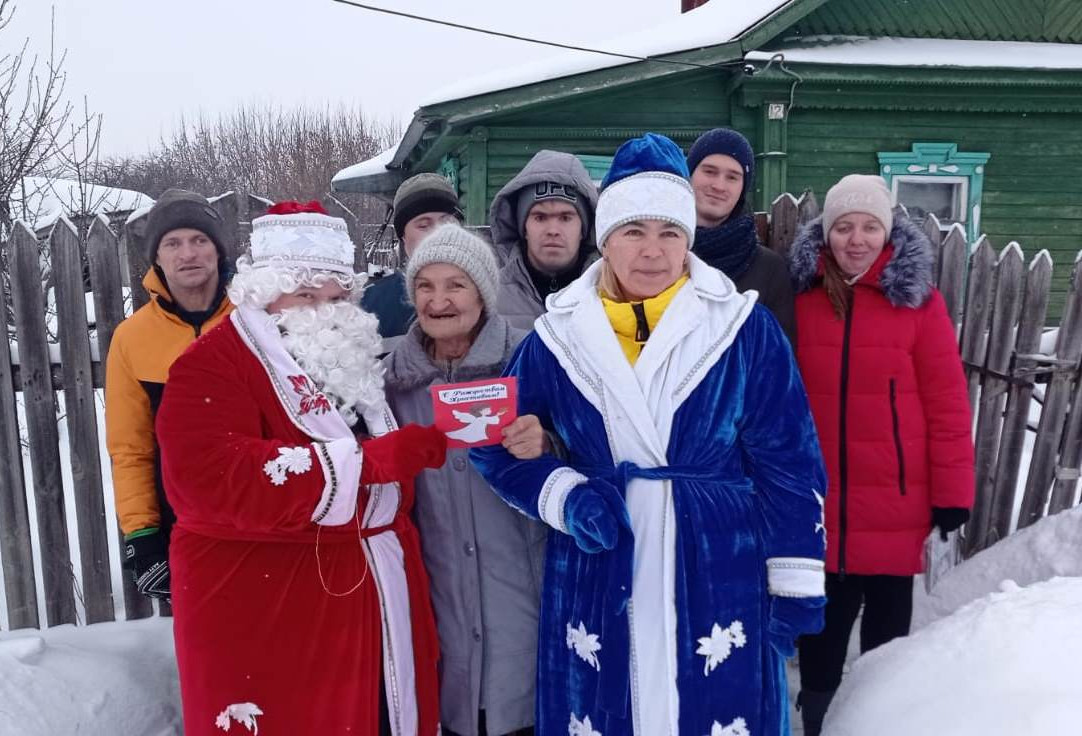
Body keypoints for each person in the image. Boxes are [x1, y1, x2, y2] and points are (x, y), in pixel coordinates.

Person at [471, 134, 828, 736]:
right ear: (605, 239)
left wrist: (793, 578)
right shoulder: (556, 338)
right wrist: (565, 494)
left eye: (669, 232)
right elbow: (489, 442)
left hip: (718, 565)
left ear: (689, 238)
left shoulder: (743, 328)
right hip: (600, 564)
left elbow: (789, 461)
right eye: (633, 231)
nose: (653, 251)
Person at [155, 200, 447, 735]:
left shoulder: (354, 363)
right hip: (271, 610)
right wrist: (364, 465)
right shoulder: (210, 365)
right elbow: (207, 478)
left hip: (370, 591)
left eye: (337, 296)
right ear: (265, 296)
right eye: (305, 296)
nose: (324, 310)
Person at [788, 174, 975, 736]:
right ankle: (818, 723)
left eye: (870, 226)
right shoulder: (801, 301)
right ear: (827, 234)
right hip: (819, 505)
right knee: (819, 638)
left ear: (888, 232)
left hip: (897, 501)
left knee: (887, 643)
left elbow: (946, 404)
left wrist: (952, 495)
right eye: (844, 226)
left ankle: (881, 723)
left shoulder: (917, 303)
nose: (857, 238)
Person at [384, 223, 548, 736]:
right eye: (426, 287)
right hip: (437, 604)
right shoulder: (389, 383)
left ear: (482, 292)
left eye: (456, 285)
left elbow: (590, 445)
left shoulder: (532, 358)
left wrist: (547, 442)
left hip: (522, 598)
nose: (440, 301)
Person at [105, 188, 233, 602]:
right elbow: (130, 448)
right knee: (206, 656)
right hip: (181, 524)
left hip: (260, 514)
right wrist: (141, 534)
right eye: (172, 243)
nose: (187, 253)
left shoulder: (255, 319)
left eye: (199, 240)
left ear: (217, 249)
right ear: (157, 257)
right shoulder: (132, 338)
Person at [687, 127, 796, 344]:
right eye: (709, 171)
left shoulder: (768, 268)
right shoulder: (660, 253)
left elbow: (778, 355)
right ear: (689, 174)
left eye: (732, 177)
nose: (719, 185)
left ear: (742, 188)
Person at [489, 150, 598, 330]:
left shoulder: (612, 292)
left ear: (584, 229)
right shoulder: (488, 297)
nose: (553, 231)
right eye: (540, 217)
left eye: (565, 218)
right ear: (523, 227)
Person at [362, 173, 463, 347]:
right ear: (403, 237)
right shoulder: (371, 305)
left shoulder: (487, 295)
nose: (438, 233)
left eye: (447, 222)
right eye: (424, 225)